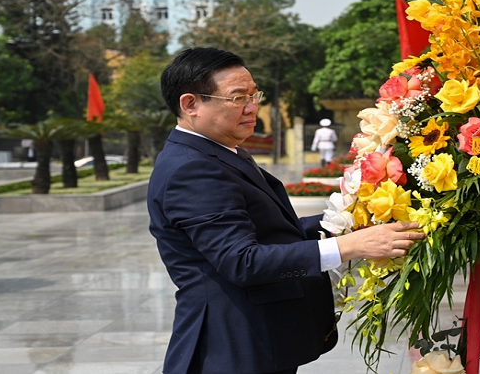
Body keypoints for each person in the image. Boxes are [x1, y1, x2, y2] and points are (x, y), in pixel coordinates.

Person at [148, 47, 425, 374]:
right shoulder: (192, 169)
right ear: (190, 104)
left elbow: (268, 229)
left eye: (254, 94)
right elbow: (242, 260)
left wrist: (346, 222)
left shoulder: (216, 151)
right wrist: (350, 247)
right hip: (229, 348)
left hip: (256, 341)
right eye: (238, 98)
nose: (253, 107)